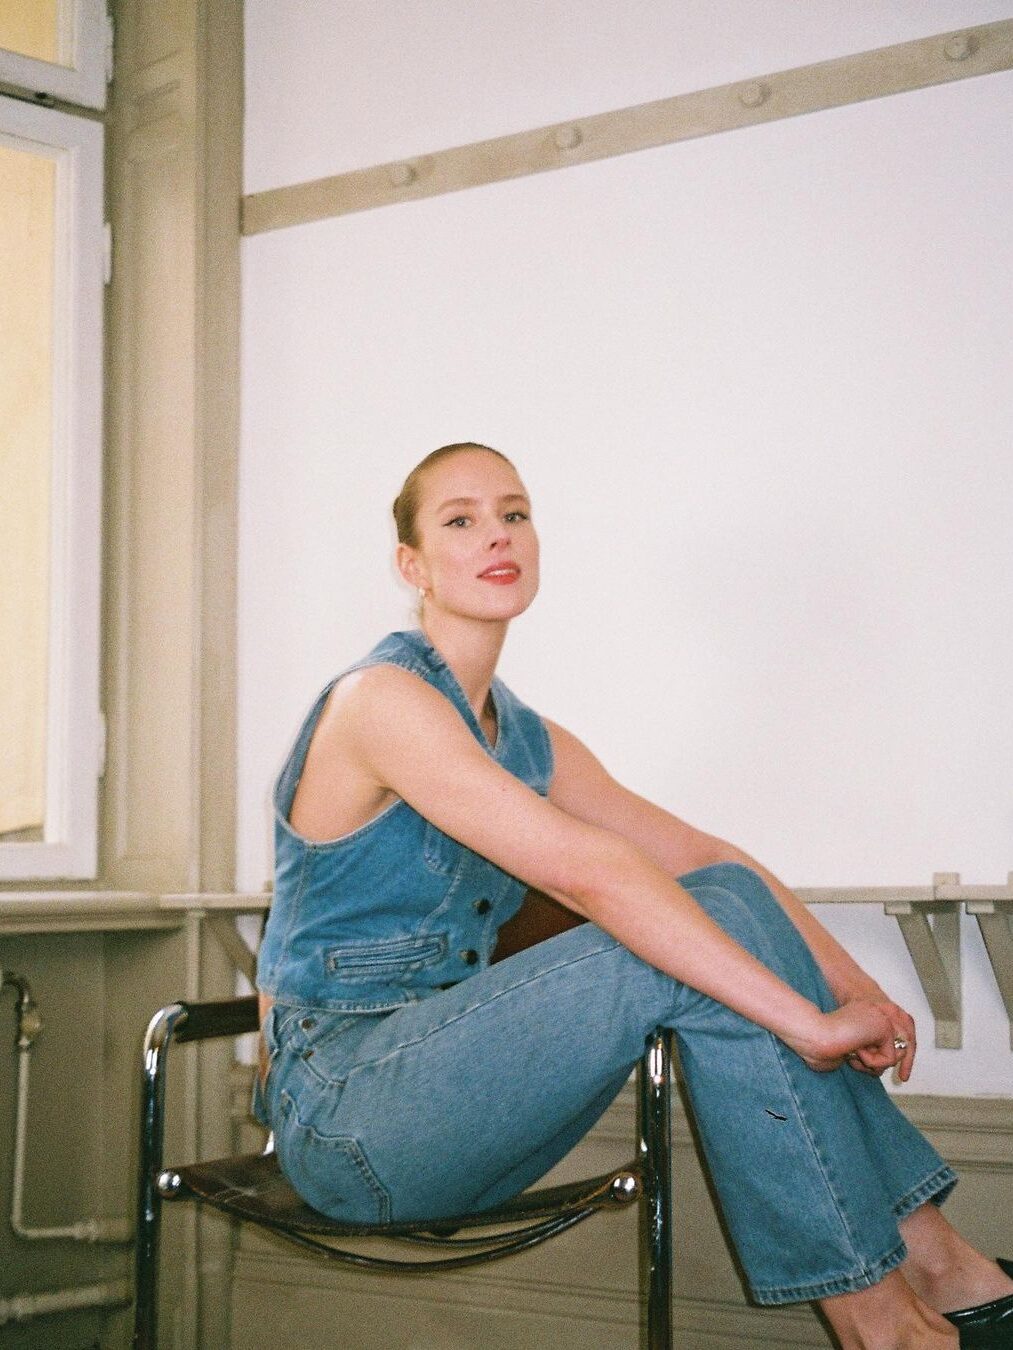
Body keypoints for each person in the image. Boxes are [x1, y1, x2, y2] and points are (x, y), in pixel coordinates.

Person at [255, 442, 1013, 1349]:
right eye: (460, 520)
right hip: (347, 1116)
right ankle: (891, 1322)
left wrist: (857, 988)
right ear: (411, 565)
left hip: (466, 1103)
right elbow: (591, 873)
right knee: (672, 948)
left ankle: (932, 1271)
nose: (496, 534)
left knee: (720, 890)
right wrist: (810, 1027)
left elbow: (707, 856)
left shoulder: (527, 738)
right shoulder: (380, 701)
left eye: (514, 513)